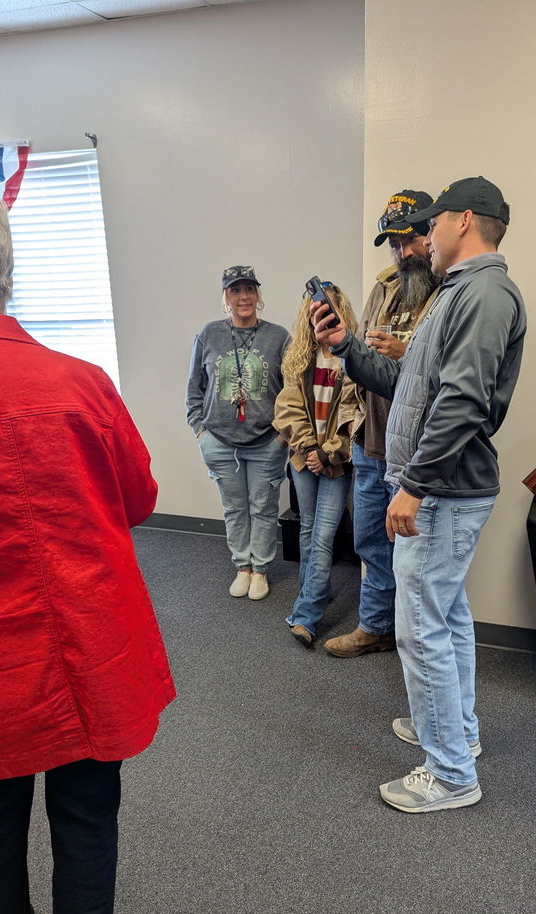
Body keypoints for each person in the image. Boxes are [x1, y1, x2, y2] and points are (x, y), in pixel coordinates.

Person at [0, 169, 175, 914]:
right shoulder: (80, 381)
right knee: (87, 807)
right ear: (3, 270)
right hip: (87, 639)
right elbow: (141, 497)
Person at [314, 176, 526, 813]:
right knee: (448, 617)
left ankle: (452, 774)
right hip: (438, 489)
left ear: (463, 221)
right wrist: (345, 348)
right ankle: (457, 731)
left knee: (422, 628)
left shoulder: (484, 293)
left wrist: (413, 485)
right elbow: (410, 384)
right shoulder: (457, 293)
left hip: (442, 492)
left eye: (430, 226)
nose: (420, 239)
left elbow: (462, 403)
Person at [324, 189, 440, 658]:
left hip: (415, 451)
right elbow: (357, 362)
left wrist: (403, 354)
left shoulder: (449, 291)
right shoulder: (385, 286)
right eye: (393, 242)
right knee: (370, 542)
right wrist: (351, 424)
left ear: (432, 232)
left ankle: (414, 641)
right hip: (369, 442)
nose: (402, 251)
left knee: (418, 558)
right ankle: (375, 625)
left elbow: (449, 372)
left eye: (408, 239)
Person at [186, 266, 289, 600]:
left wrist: (284, 434)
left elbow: (293, 391)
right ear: (225, 297)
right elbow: (194, 388)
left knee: (263, 506)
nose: (243, 297)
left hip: (266, 442)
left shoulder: (278, 337)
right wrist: (200, 430)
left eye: (249, 289)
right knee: (234, 508)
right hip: (219, 440)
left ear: (258, 296)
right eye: (235, 291)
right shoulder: (209, 334)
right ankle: (242, 566)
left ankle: (260, 570)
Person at [273, 284, 359, 647]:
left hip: (337, 461)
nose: (321, 314)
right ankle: (314, 595)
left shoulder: (353, 357)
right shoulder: (298, 355)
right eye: (315, 309)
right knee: (308, 530)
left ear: (340, 311)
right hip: (303, 455)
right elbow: (288, 406)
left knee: (323, 535)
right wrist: (310, 447)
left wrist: (329, 453)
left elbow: (357, 411)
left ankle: (306, 615)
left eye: (329, 308)